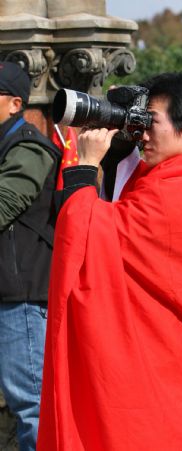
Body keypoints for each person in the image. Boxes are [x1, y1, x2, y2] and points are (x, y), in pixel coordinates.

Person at [37, 71, 182, 451]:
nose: (143, 134)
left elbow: (88, 240)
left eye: (153, 123)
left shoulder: (170, 193)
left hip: (174, 370)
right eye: (141, 122)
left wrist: (86, 167)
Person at [0, 61, 61, 451]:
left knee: (32, 408)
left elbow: (3, 204)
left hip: (20, 301)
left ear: (14, 103)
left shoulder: (29, 146)